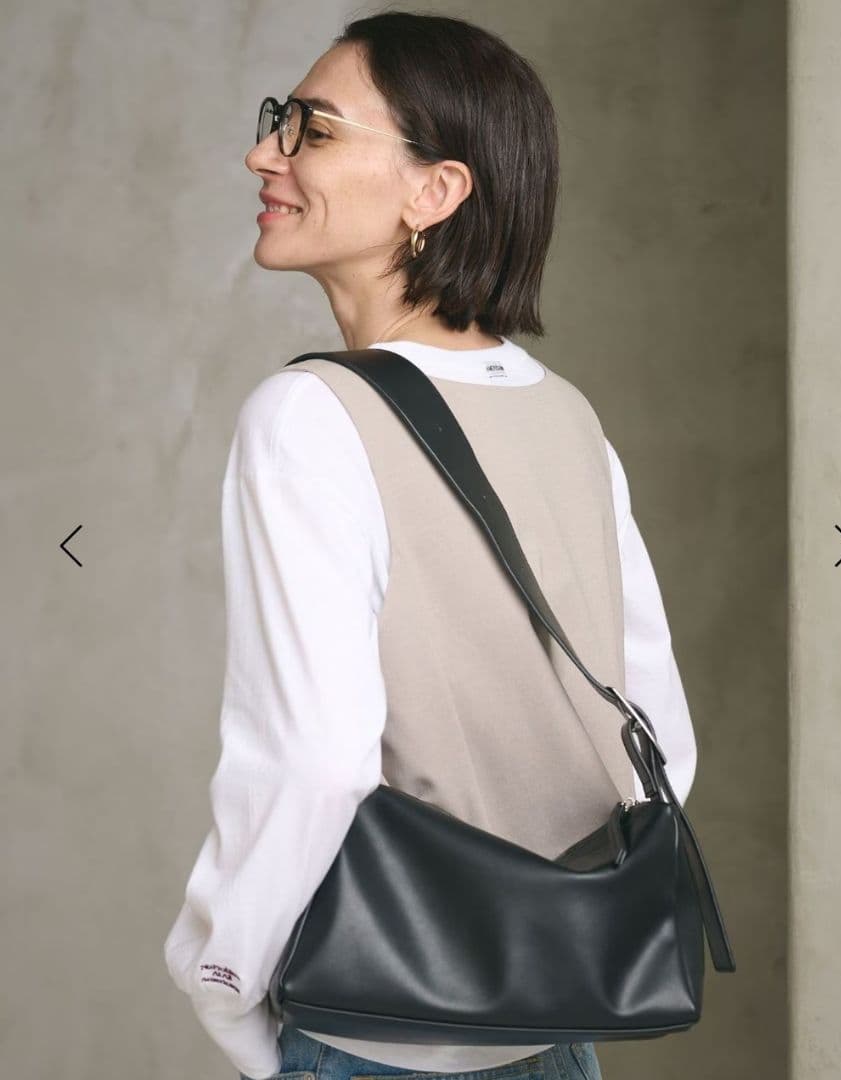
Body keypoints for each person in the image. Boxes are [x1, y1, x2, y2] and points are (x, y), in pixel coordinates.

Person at [163, 11, 697, 1080]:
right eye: (278, 121)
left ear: (435, 190)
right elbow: (659, 742)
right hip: (556, 1024)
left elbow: (313, 759)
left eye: (312, 130)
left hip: (379, 1026)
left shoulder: (309, 415)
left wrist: (221, 980)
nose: (263, 153)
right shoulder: (565, 415)